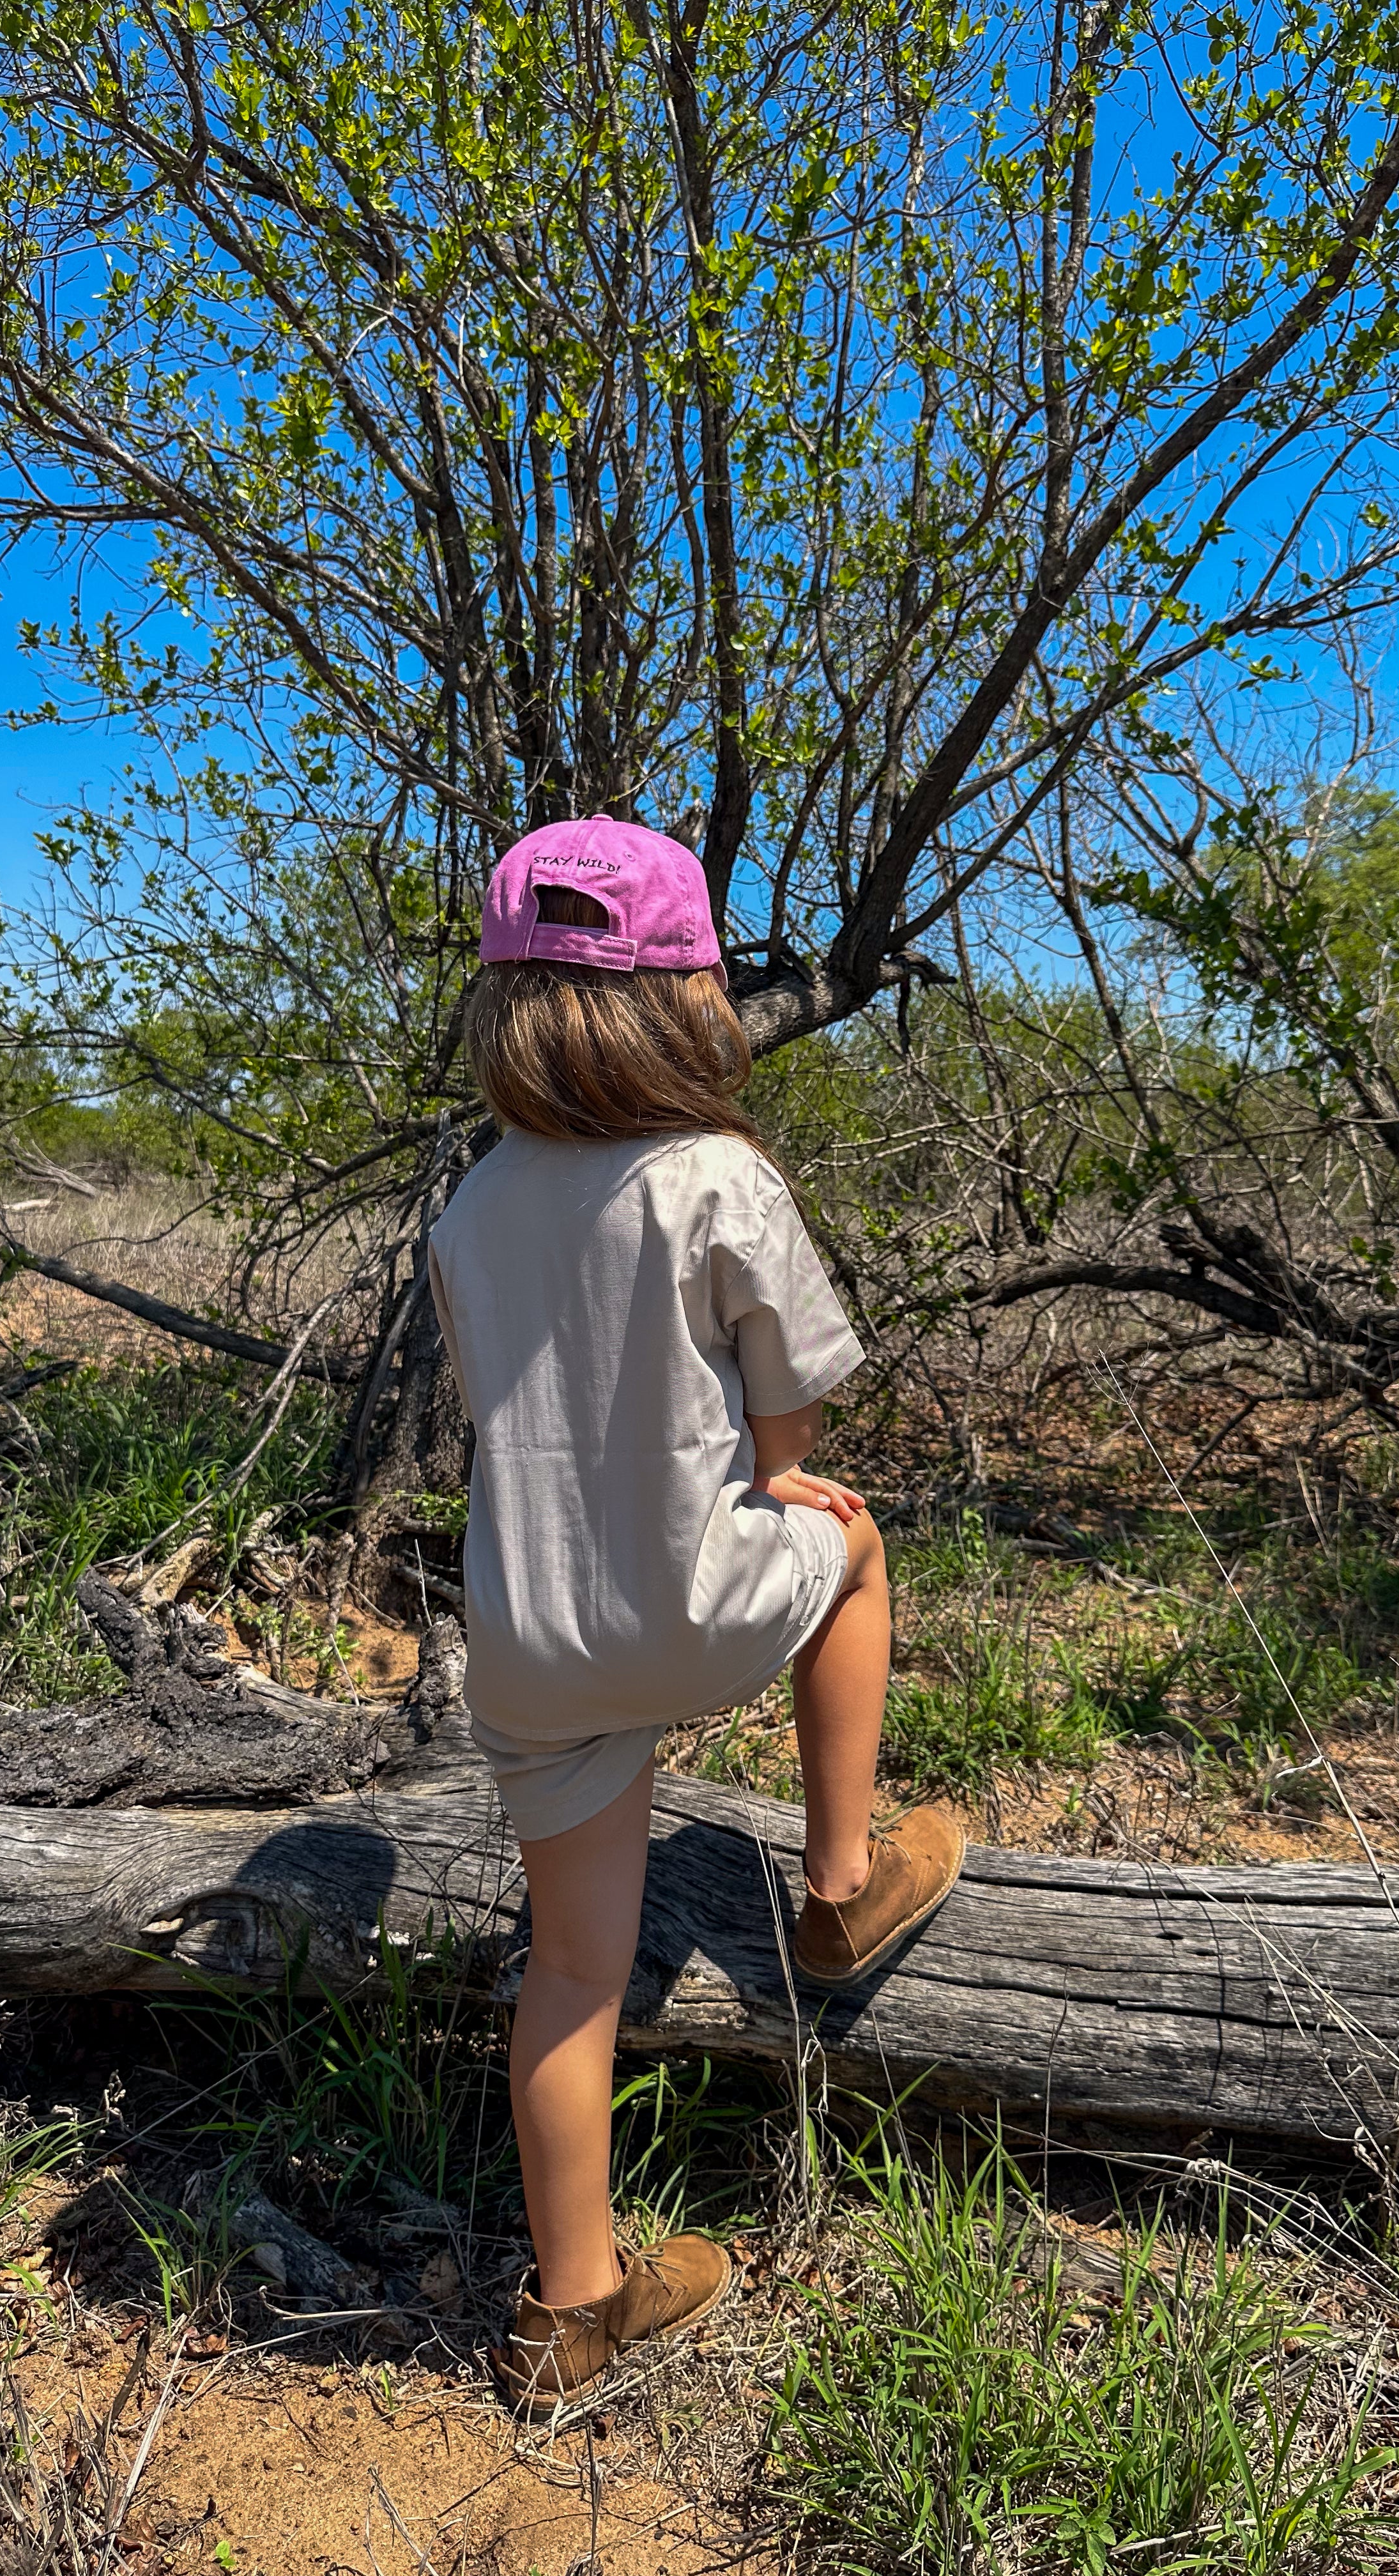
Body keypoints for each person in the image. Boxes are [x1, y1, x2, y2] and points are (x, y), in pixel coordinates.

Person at [426, 815, 965, 2418]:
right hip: (692, 1600)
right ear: (686, 999)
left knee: (572, 1973)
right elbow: (785, 1426)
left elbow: (508, 1411)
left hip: (526, 1634)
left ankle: (572, 2313)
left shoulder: (471, 1205)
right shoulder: (718, 1176)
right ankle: (845, 1885)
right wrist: (784, 1490)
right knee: (854, 1546)